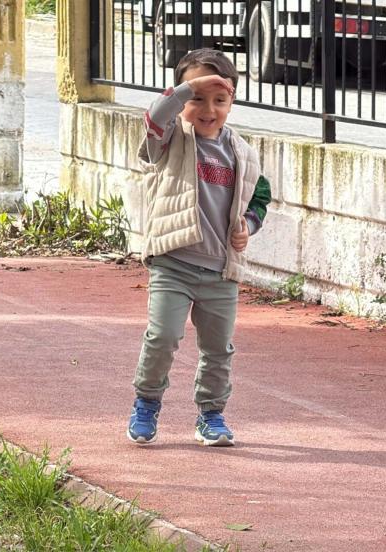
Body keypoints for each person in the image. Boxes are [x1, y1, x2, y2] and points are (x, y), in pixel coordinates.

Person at [127, 48, 272, 447]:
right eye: (197, 98)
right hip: (173, 262)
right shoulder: (171, 138)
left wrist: (248, 226)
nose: (208, 110)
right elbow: (154, 117)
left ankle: (211, 415)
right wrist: (186, 89)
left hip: (220, 272)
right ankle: (146, 403)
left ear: (231, 102)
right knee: (162, 337)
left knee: (218, 349)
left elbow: (259, 197)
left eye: (219, 100)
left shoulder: (243, 153)